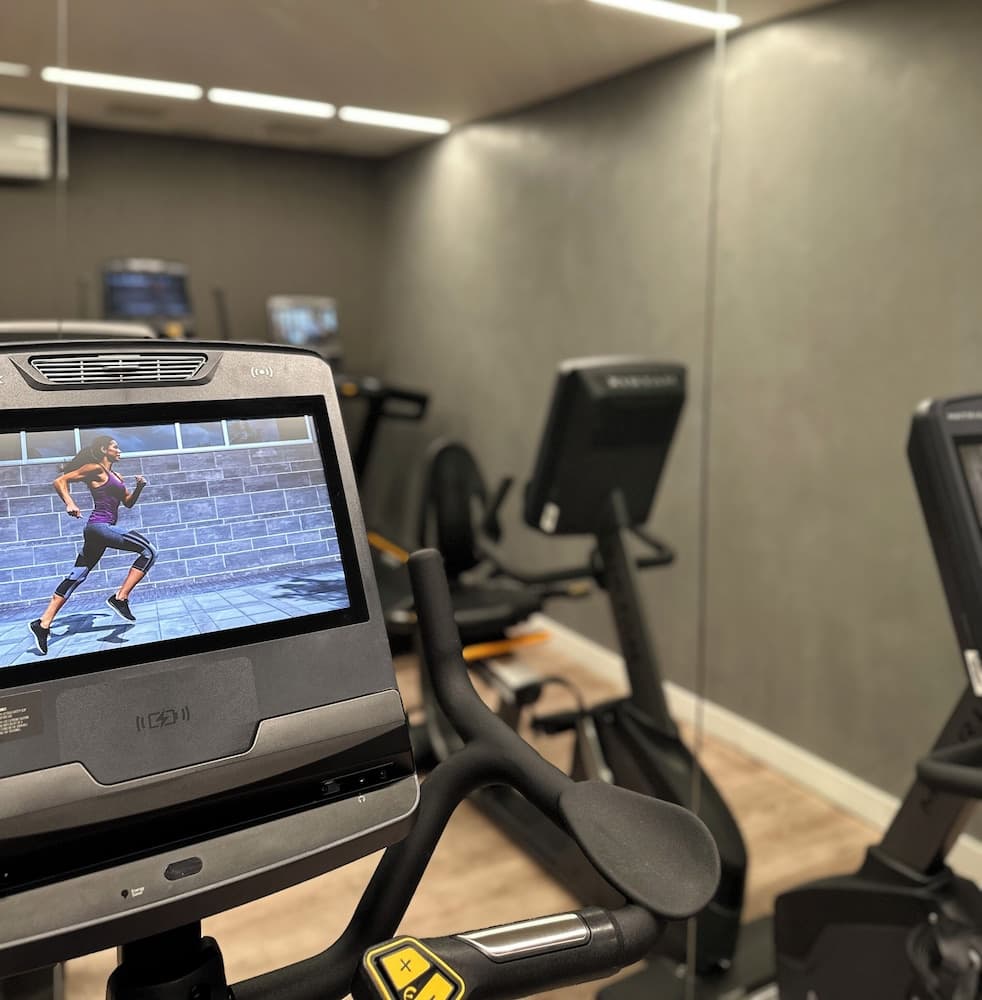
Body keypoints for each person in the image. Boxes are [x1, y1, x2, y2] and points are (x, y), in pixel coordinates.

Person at [29, 435, 156, 656]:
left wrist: (139, 488)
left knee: (77, 575)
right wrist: (70, 503)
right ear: (104, 449)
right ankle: (120, 598)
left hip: (98, 532)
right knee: (150, 551)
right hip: (100, 526)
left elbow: (127, 503)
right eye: (115, 447)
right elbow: (60, 481)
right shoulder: (95, 469)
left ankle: (43, 623)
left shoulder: (116, 476)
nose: (119, 450)